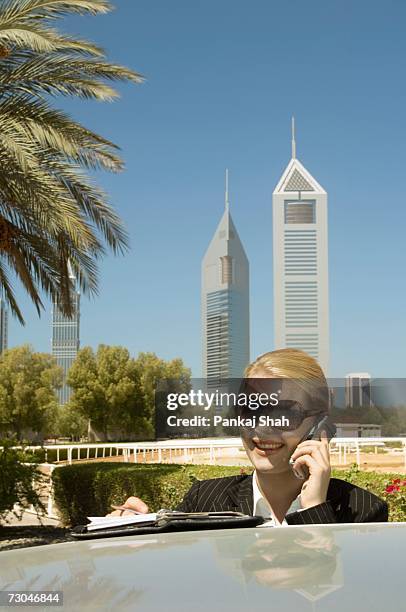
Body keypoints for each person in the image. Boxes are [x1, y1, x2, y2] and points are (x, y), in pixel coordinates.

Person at [109, 349, 388, 525]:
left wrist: (314, 509)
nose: (263, 428)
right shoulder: (204, 499)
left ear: (319, 423)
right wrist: (138, 527)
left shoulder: (364, 511)